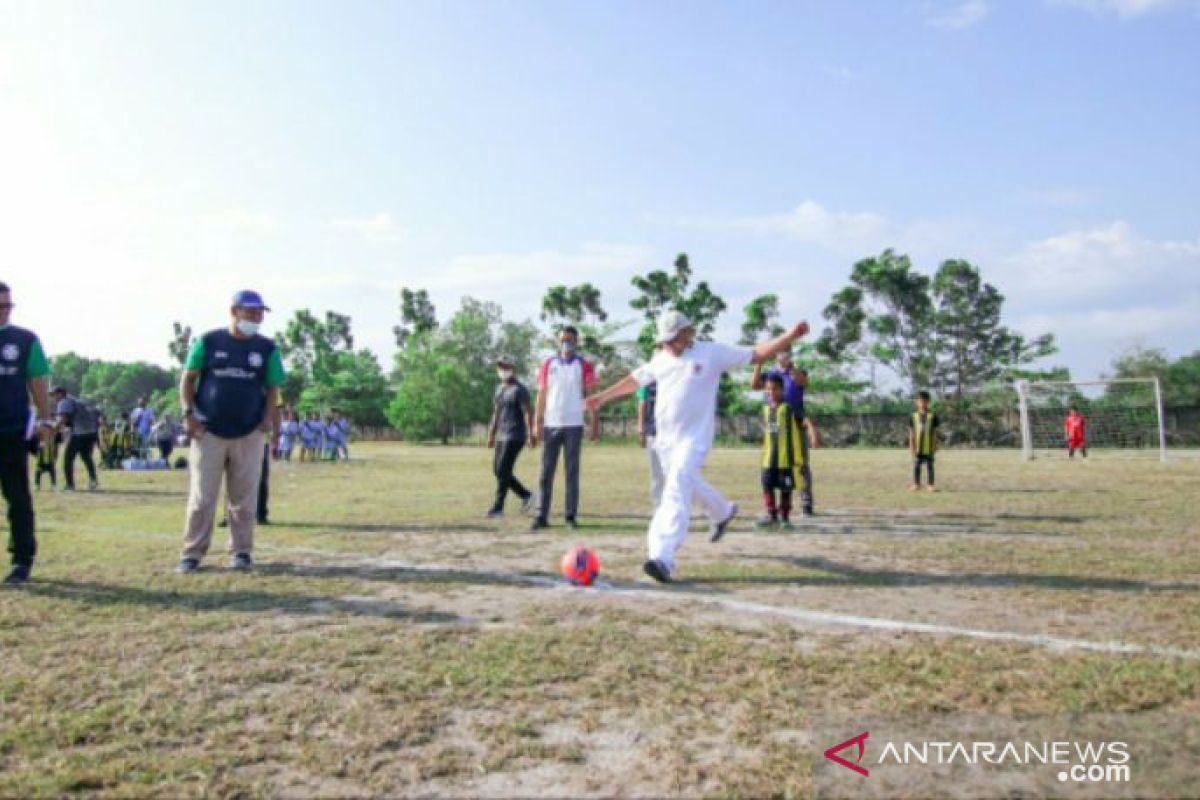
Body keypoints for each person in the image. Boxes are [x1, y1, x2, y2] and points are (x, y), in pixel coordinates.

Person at [586, 311, 809, 583]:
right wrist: (602, 397)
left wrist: (789, 336)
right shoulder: (662, 358)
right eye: (664, 340)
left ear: (687, 332)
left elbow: (756, 354)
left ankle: (663, 557)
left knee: (676, 489)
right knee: (687, 484)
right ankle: (722, 511)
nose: (667, 344)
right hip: (666, 442)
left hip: (694, 439)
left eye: (672, 338)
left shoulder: (711, 353)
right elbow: (636, 379)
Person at [176, 290, 284, 573]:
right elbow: (188, 379)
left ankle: (241, 552)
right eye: (251, 311)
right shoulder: (209, 341)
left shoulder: (267, 348)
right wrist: (189, 415)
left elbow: (273, 387)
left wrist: (266, 420)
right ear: (234, 311)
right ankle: (192, 554)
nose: (257, 317)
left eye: (261, 312)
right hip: (208, 431)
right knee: (202, 498)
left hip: (249, 433)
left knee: (244, 498)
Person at [0, 281, 54, 585]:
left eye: (8, 306)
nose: (5, 312)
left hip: (11, 431)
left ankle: (22, 560)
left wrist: (45, 419)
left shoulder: (24, 340)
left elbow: (37, 381)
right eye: (0, 307)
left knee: (17, 498)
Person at [531, 326, 597, 531]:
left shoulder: (584, 365)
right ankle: (541, 515)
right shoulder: (548, 364)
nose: (565, 343)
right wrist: (537, 421)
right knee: (546, 472)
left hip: (574, 424)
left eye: (569, 340)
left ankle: (570, 516)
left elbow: (591, 395)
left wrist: (594, 422)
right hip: (551, 424)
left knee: (571, 471)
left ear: (576, 342)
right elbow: (541, 394)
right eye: (562, 339)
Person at [749, 352, 821, 516]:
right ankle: (773, 508)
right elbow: (754, 385)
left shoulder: (797, 372)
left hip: (795, 420)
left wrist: (790, 368)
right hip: (775, 423)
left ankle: (806, 502)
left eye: (786, 354)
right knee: (773, 464)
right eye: (780, 353)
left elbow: (803, 382)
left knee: (801, 463)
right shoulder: (771, 374)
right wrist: (758, 363)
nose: (783, 357)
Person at [486, 355, 535, 518]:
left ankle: (498, 508)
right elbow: (496, 413)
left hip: (515, 435)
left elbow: (527, 412)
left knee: (503, 470)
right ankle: (525, 494)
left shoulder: (520, 389)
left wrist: (530, 434)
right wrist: (491, 434)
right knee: (498, 470)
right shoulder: (499, 389)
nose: (502, 370)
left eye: (506, 367)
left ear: (512, 368)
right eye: (500, 367)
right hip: (502, 434)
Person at [755, 374, 806, 531]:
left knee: (786, 489)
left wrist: (811, 430)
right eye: (768, 389)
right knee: (767, 486)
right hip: (768, 458)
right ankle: (771, 515)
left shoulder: (788, 409)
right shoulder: (765, 409)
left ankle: (784, 517)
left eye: (774, 389)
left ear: (782, 390)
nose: (771, 392)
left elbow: (803, 420)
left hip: (786, 459)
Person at [52, 385, 101, 490]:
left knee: (68, 459)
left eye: (54, 395)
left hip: (79, 433)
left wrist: (53, 431)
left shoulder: (64, 401)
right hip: (91, 432)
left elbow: (64, 419)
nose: (53, 397)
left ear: (60, 394)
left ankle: (70, 485)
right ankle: (93, 481)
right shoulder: (77, 400)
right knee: (86, 457)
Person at [637, 379, 664, 512]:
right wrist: (641, 430)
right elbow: (641, 404)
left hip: (671, 433)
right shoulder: (645, 383)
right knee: (656, 473)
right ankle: (658, 507)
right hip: (652, 433)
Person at [909, 390, 940, 492]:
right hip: (918, 446)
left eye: (924, 401)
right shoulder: (913, 416)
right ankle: (916, 484)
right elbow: (911, 432)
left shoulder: (933, 416)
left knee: (930, 466)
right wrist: (911, 445)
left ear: (928, 402)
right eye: (920, 401)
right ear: (916, 402)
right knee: (916, 466)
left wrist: (935, 445)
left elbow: (935, 433)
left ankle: (930, 485)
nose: (922, 403)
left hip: (928, 447)